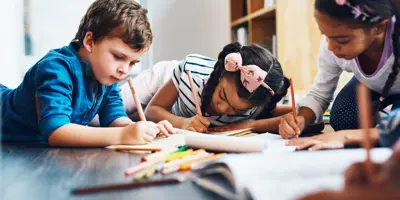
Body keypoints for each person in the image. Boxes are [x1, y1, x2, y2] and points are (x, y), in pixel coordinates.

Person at [0, 0, 174, 146]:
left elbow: (115, 118)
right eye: (119, 56)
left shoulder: (106, 76)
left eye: (132, 63)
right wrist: (123, 136)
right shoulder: (55, 68)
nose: (124, 70)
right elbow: (56, 131)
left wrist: (144, 131)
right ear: (90, 41)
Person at [281, 0, 400, 150]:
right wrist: (301, 119)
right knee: (343, 118)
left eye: (342, 40)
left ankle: (384, 121)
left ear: (379, 28)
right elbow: (319, 94)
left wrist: (345, 136)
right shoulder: (332, 44)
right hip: (370, 86)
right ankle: (380, 120)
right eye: (325, 36)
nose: (330, 47)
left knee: (396, 128)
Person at [142, 42, 292, 133]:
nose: (223, 108)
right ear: (221, 73)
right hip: (164, 76)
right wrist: (183, 123)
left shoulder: (253, 103)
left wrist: (251, 124)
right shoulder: (191, 72)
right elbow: (151, 111)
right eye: (222, 95)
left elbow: (297, 114)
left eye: (236, 110)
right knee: (124, 108)